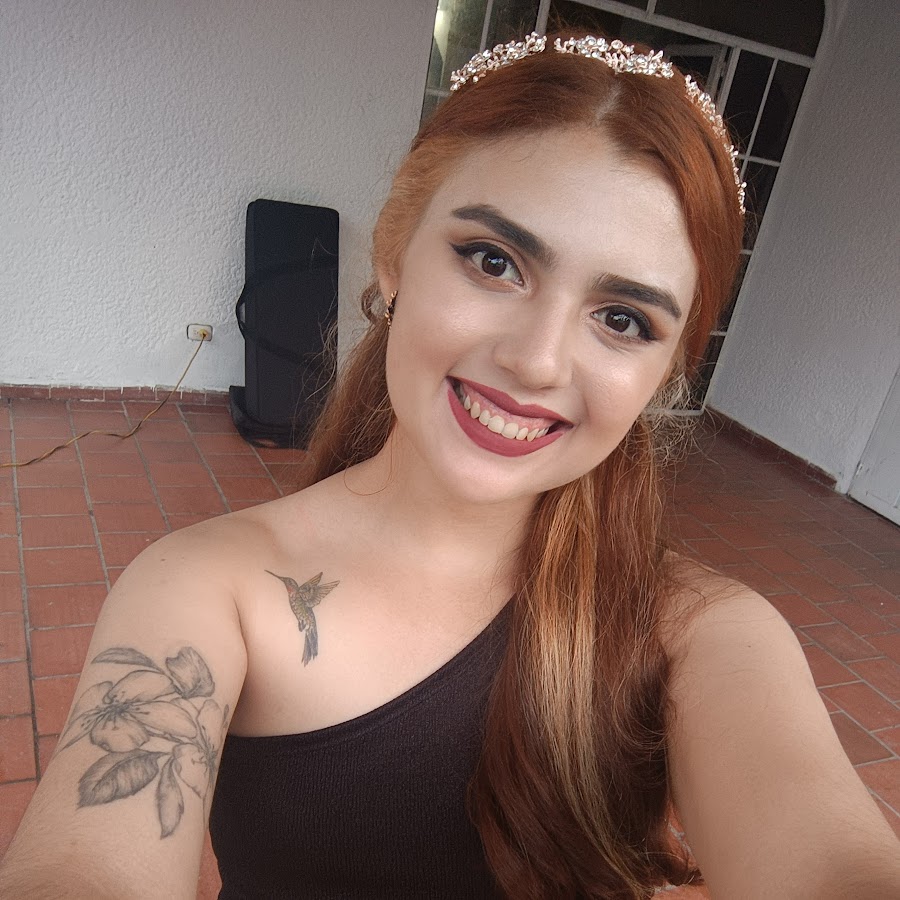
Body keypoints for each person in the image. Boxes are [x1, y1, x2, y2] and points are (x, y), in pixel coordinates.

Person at [1, 31, 898, 900]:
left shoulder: (698, 631)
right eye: (494, 262)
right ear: (394, 255)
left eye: (623, 319)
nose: (537, 361)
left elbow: (828, 860)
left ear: (664, 372)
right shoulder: (205, 589)